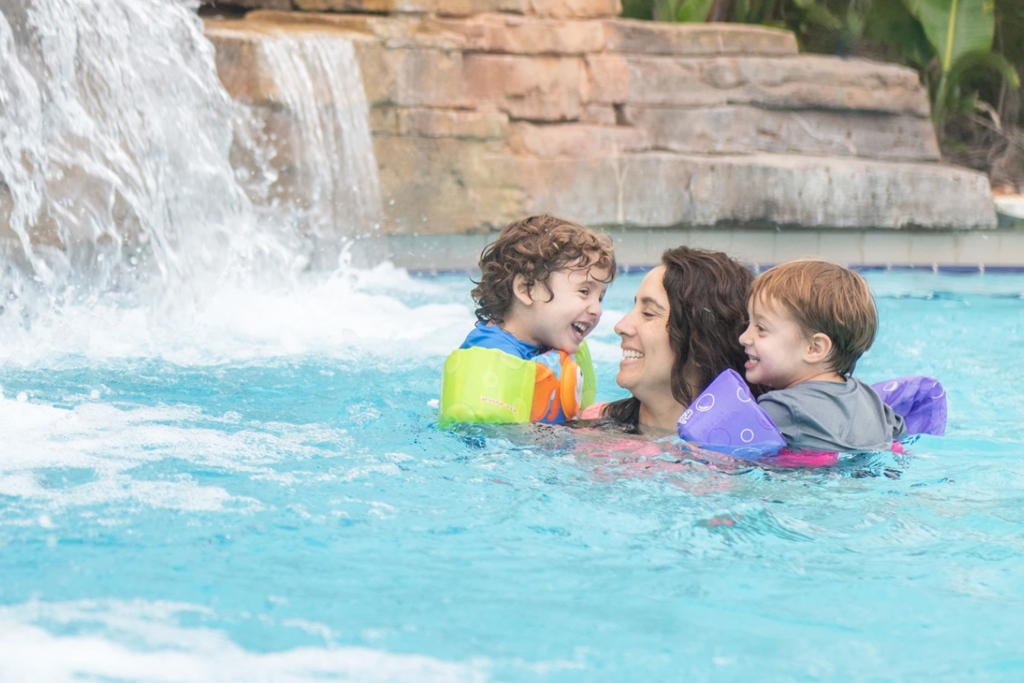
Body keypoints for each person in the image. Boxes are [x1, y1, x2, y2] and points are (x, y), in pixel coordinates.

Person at [439, 214, 616, 425]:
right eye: (584, 291)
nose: (597, 309)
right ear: (527, 290)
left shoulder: (551, 346)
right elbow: (489, 438)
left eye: (601, 297)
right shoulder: (490, 351)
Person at [584, 246, 757, 435]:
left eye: (648, 313)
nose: (621, 326)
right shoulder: (594, 425)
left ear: (701, 346)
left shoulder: (744, 448)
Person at [738, 259, 906, 451]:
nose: (744, 338)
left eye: (761, 328)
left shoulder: (780, 409)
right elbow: (900, 438)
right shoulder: (870, 398)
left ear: (814, 348)